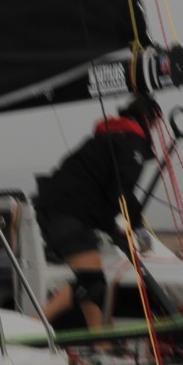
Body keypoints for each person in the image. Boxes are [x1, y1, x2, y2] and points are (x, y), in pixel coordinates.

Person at [35, 93, 160, 329]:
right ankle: (31, 325)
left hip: (56, 209)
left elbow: (97, 189)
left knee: (91, 283)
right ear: (151, 121)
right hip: (68, 214)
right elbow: (119, 191)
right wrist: (139, 228)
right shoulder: (131, 142)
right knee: (91, 282)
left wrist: (113, 228)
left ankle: (100, 341)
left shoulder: (109, 136)